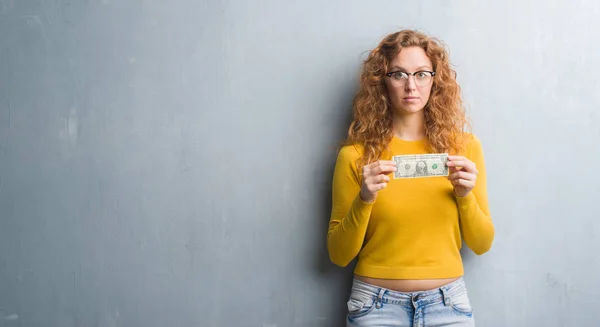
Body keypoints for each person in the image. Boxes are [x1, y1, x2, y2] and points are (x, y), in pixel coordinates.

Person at [327, 29, 495, 326]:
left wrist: (464, 196)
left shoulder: (464, 149)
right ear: (383, 81)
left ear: (435, 80)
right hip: (375, 307)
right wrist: (364, 199)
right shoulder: (354, 156)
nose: (410, 86)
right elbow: (338, 255)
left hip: (449, 306)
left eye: (421, 74)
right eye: (399, 75)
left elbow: (481, 244)